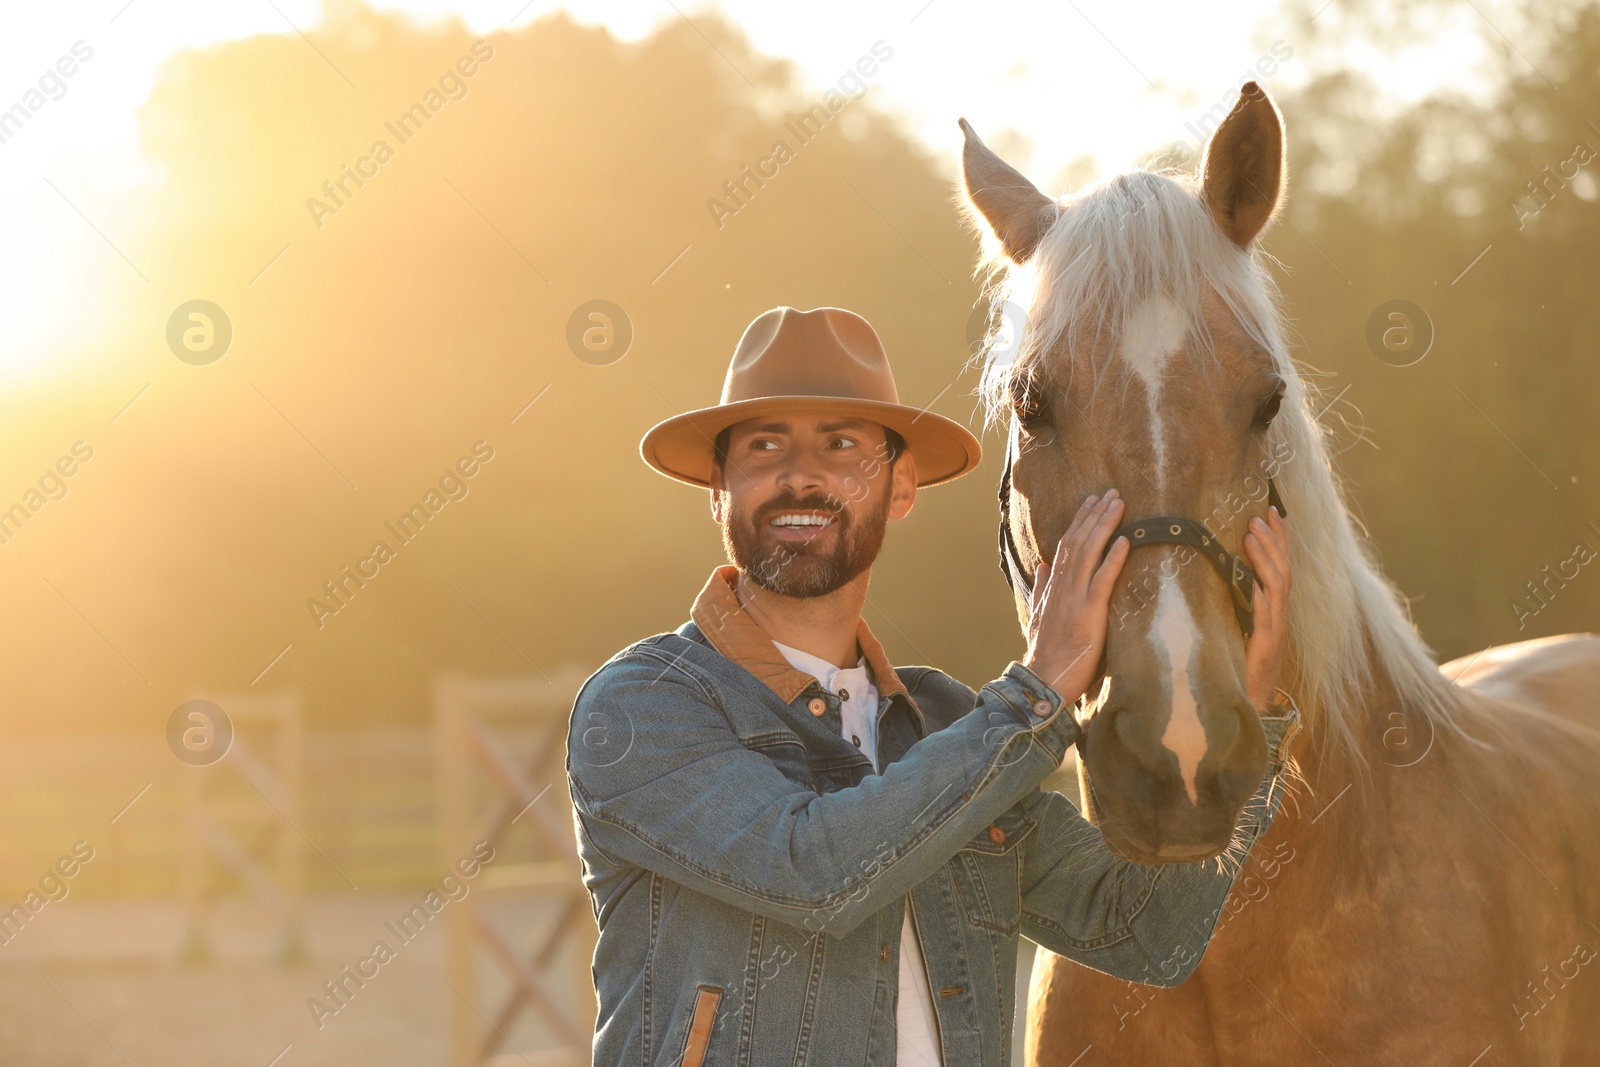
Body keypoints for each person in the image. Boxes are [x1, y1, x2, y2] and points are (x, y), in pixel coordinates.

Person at [566, 306, 1297, 1066]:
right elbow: (816, 872)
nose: (801, 474)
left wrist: (1253, 723)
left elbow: (1147, 934)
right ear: (717, 488)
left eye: (842, 444)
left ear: (901, 487)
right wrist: (1038, 692)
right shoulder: (641, 705)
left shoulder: (946, 722)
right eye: (764, 445)